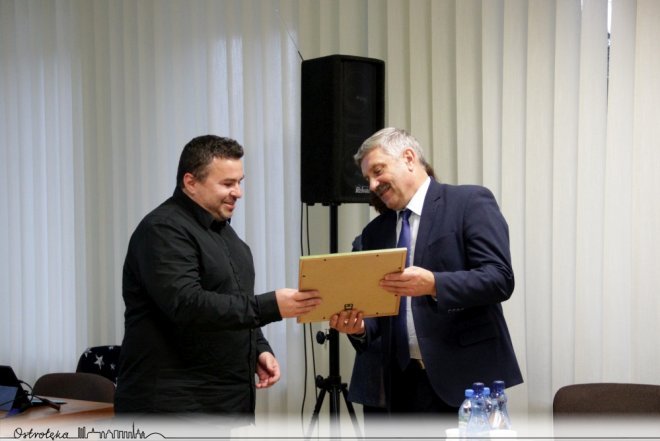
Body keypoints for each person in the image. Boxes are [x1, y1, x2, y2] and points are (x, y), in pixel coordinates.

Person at [115, 135, 321, 421]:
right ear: (191, 182)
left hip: (224, 403)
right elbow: (187, 304)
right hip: (173, 407)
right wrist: (271, 306)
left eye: (239, 182)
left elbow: (232, 301)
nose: (238, 193)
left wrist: (258, 349)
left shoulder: (226, 233)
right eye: (227, 184)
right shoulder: (163, 229)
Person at [330, 127, 522, 416]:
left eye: (378, 171)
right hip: (399, 388)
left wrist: (434, 284)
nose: (372, 185)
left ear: (409, 158)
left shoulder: (468, 202)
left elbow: (499, 278)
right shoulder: (374, 233)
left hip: (464, 383)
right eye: (367, 178)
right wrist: (359, 328)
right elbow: (378, 312)